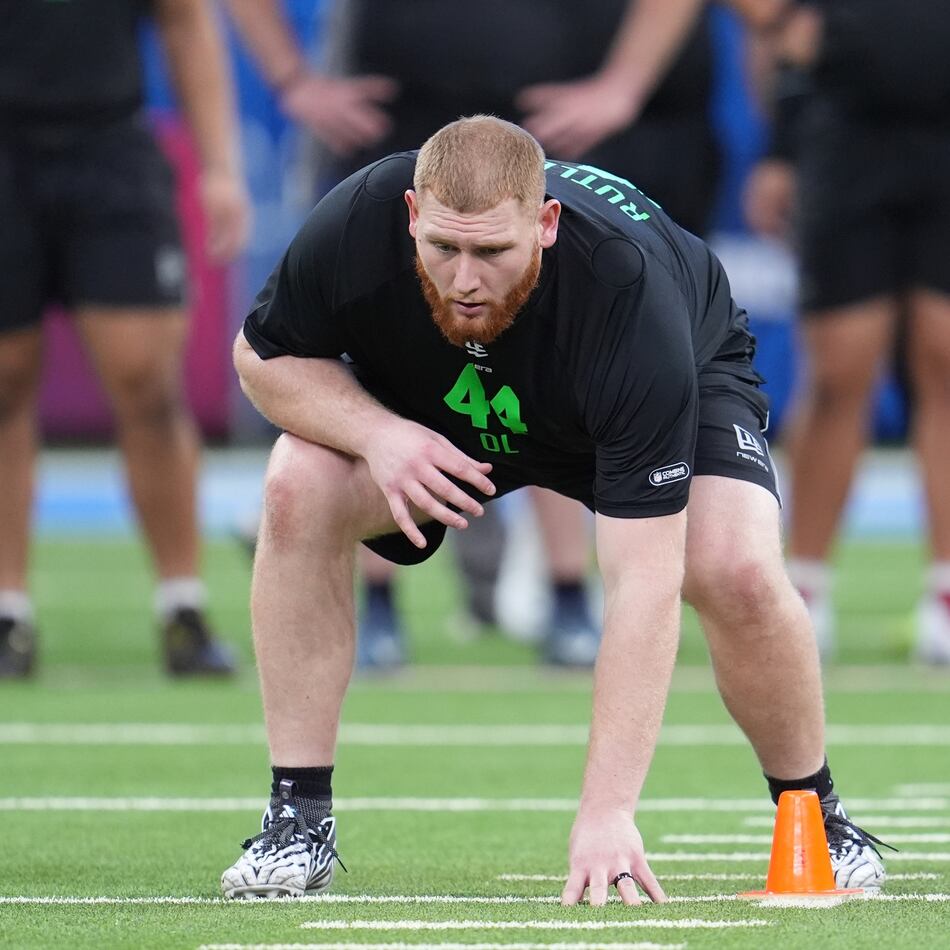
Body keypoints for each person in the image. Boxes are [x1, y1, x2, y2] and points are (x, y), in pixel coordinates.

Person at [221, 116, 887, 902]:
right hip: (445, 401)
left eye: (492, 253)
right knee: (298, 482)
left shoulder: (625, 293)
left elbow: (643, 583)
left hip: (665, 373)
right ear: (409, 216)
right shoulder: (357, 221)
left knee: (731, 568)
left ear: (545, 224)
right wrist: (378, 434)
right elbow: (261, 357)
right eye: (442, 249)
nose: (464, 279)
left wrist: (608, 812)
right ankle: (296, 821)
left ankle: (819, 815)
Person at [226, 0, 715, 669]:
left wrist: (622, 84)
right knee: (371, 359)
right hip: (392, 113)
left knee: (556, 349)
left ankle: (567, 592)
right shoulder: (378, 203)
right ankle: (379, 606)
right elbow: (265, 353)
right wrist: (292, 80)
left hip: (540, 116)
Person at [0, 0, 250, 679]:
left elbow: (186, 21)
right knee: (4, 380)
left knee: (145, 378)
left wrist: (220, 167)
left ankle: (182, 607)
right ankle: (8, 611)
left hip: (109, 144)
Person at [741, 0, 950, 662]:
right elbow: (780, 32)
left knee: (944, 359)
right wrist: (780, 152)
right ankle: (803, 590)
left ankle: (945, 594)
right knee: (839, 371)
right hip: (850, 145)